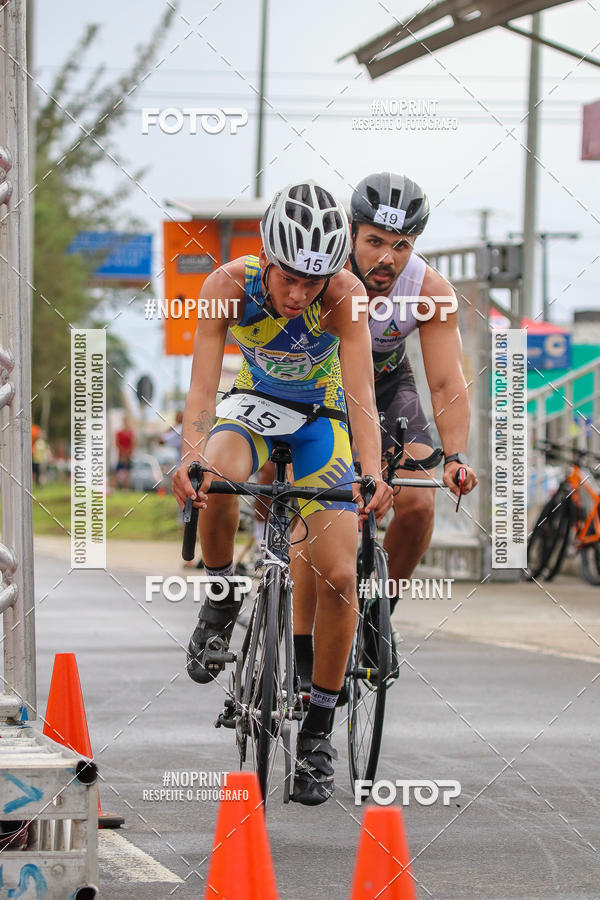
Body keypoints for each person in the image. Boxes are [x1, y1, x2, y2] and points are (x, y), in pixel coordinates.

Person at [173, 179, 392, 805]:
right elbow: (202, 386)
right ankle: (220, 598)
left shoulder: (344, 297)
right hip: (255, 406)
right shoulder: (226, 286)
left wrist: (370, 472)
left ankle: (319, 729)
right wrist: (190, 458)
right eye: (288, 279)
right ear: (266, 258)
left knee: (339, 575)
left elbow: (361, 399)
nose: (299, 295)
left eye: (313, 282)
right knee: (214, 475)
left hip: (324, 418)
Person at [291, 172, 478, 686]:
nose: (386, 258)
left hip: (387, 381)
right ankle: (287, 589)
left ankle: (375, 612)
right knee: (299, 491)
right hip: (318, 384)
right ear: (351, 234)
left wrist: (456, 455)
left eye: (401, 245)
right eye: (373, 241)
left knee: (417, 504)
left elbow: (444, 382)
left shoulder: (428, 288)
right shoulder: (319, 272)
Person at [111, 418, 135, 490]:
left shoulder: (131, 433)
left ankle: (126, 488)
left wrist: (128, 453)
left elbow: (133, 443)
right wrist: (123, 453)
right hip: (121, 455)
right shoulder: (119, 433)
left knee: (128, 472)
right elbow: (117, 443)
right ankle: (113, 487)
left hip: (128, 455)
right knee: (116, 472)